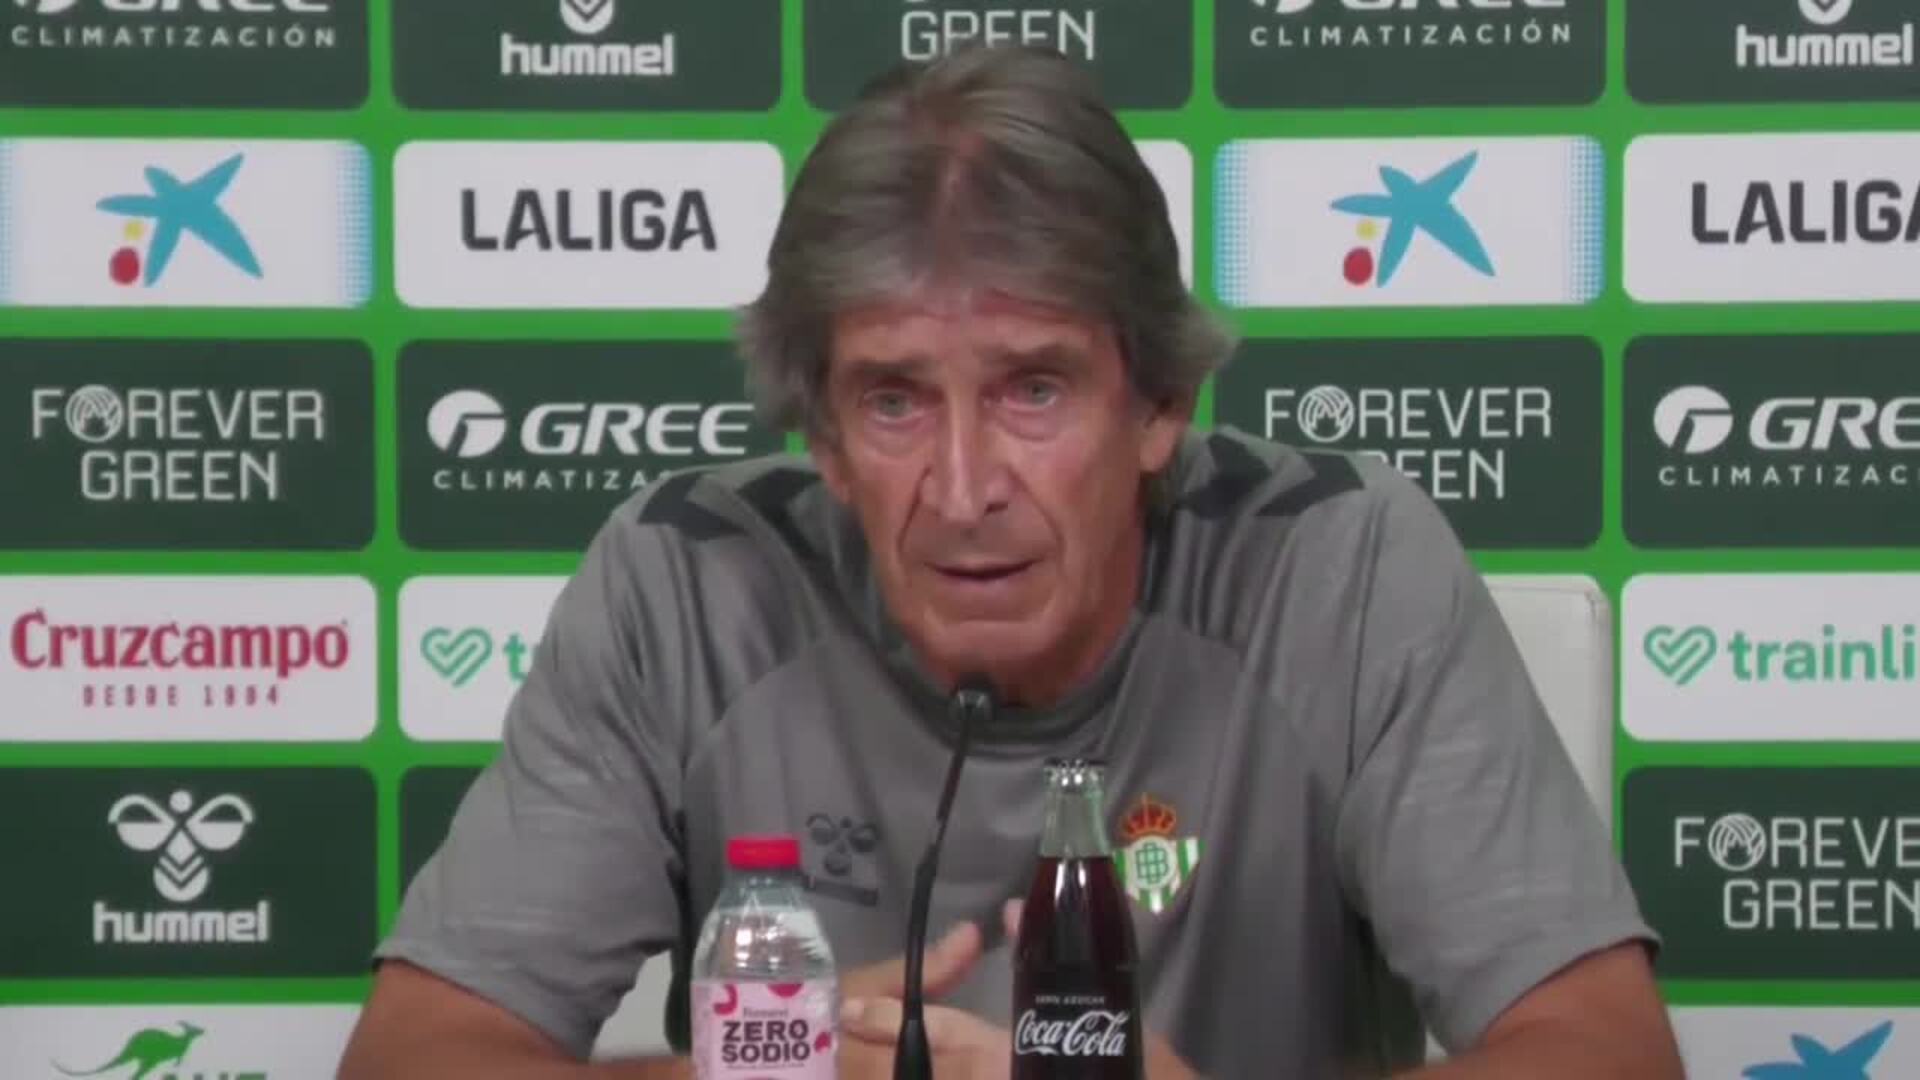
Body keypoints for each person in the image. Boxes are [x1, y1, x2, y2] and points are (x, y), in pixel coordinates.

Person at [338, 44, 1683, 1080]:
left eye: (1034, 390)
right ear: (821, 436)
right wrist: (755, 1073)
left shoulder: (1341, 567)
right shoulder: (686, 586)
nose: (965, 488)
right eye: (894, 401)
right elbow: (412, 1058)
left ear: (1158, 407)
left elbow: (1610, 1054)